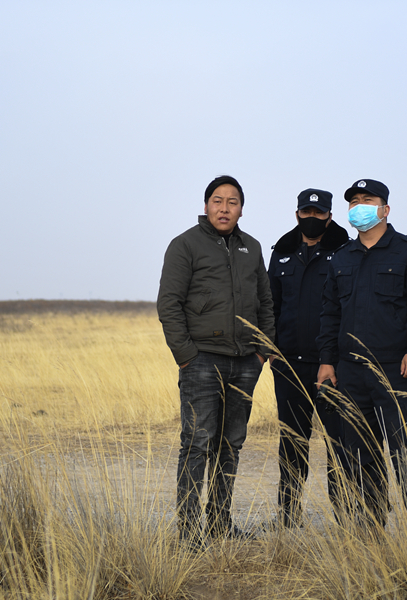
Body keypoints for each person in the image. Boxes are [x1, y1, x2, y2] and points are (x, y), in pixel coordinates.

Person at [157, 175, 275, 546]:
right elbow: (169, 304)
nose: (224, 208)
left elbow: (266, 302)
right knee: (197, 444)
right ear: (206, 205)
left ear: (241, 209)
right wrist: (186, 356)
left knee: (231, 444)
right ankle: (190, 531)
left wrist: (262, 351)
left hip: (245, 362)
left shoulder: (252, 248)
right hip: (202, 361)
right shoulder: (185, 245)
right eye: (218, 201)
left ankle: (220, 523)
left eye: (232, 202)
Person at [316, 178, 407, 528]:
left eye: (367, 200)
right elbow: (330, 313)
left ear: (385, 209)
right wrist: (327, 361)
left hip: (395, 370)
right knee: (360, 454)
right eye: (354, 201)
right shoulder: (342, 257)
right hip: (350, 372)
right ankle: (372, 530)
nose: (360, 207)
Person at [266, 188, 349, 527]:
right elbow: (270, 305)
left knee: (339, 443)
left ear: (329, 216)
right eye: (306, 213)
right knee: (292, 441)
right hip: (288, 365)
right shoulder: (282, 252)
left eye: (319, 213)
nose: (312, 219)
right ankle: (288, 517)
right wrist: (272, 349)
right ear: (297, 214)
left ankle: (346, 518)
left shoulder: (345, 250)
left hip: (332, 366)